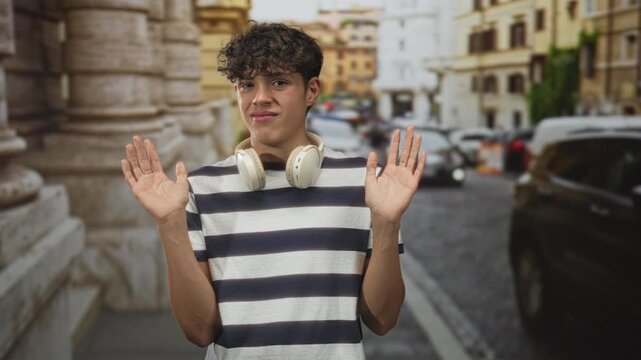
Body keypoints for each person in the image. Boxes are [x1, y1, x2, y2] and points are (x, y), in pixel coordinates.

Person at [121, 22, 426, 360]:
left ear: (311, 91)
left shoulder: (363, 183)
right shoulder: (198, 189)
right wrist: (169, 224)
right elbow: (198, 331)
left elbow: (382, 320)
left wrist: (387, 222)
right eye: (247, 84)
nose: (260, 98)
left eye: (278, 82)